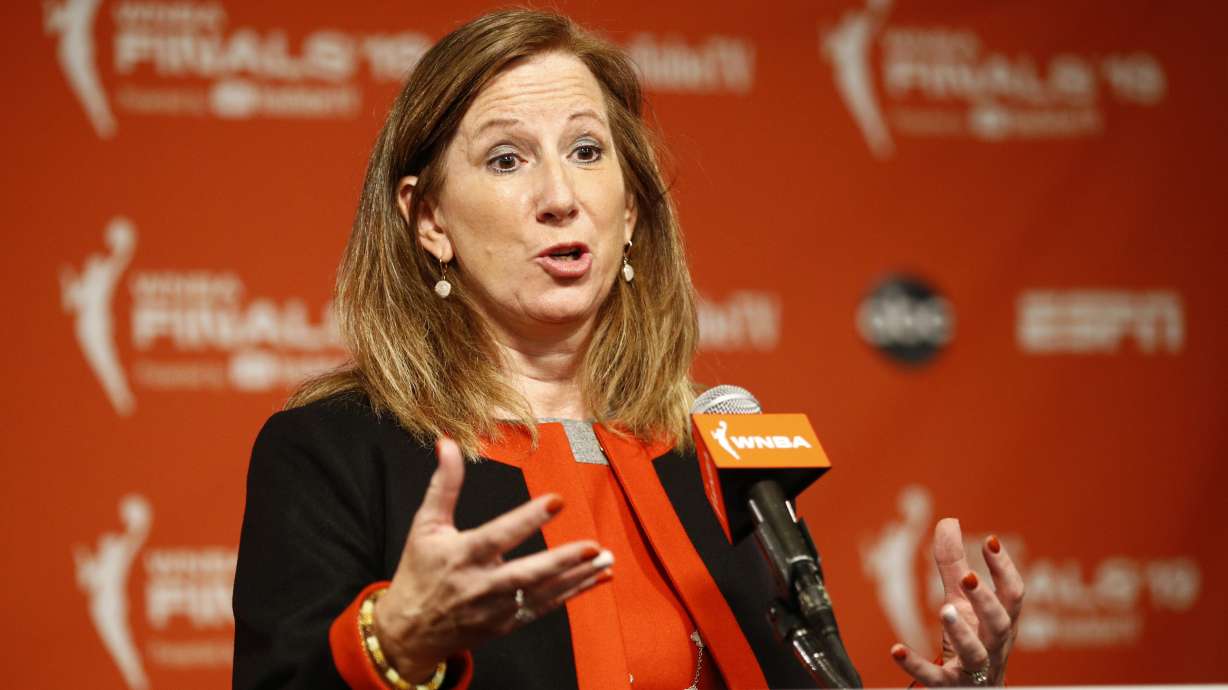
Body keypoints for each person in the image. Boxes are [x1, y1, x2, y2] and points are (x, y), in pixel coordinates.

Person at [232, 9, 1024, 690]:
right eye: (507, 159)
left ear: (633, 208)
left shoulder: (713, 456)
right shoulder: (332, 452)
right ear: (429, 218)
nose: (560, 198)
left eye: (586, 151)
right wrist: (393, 645)